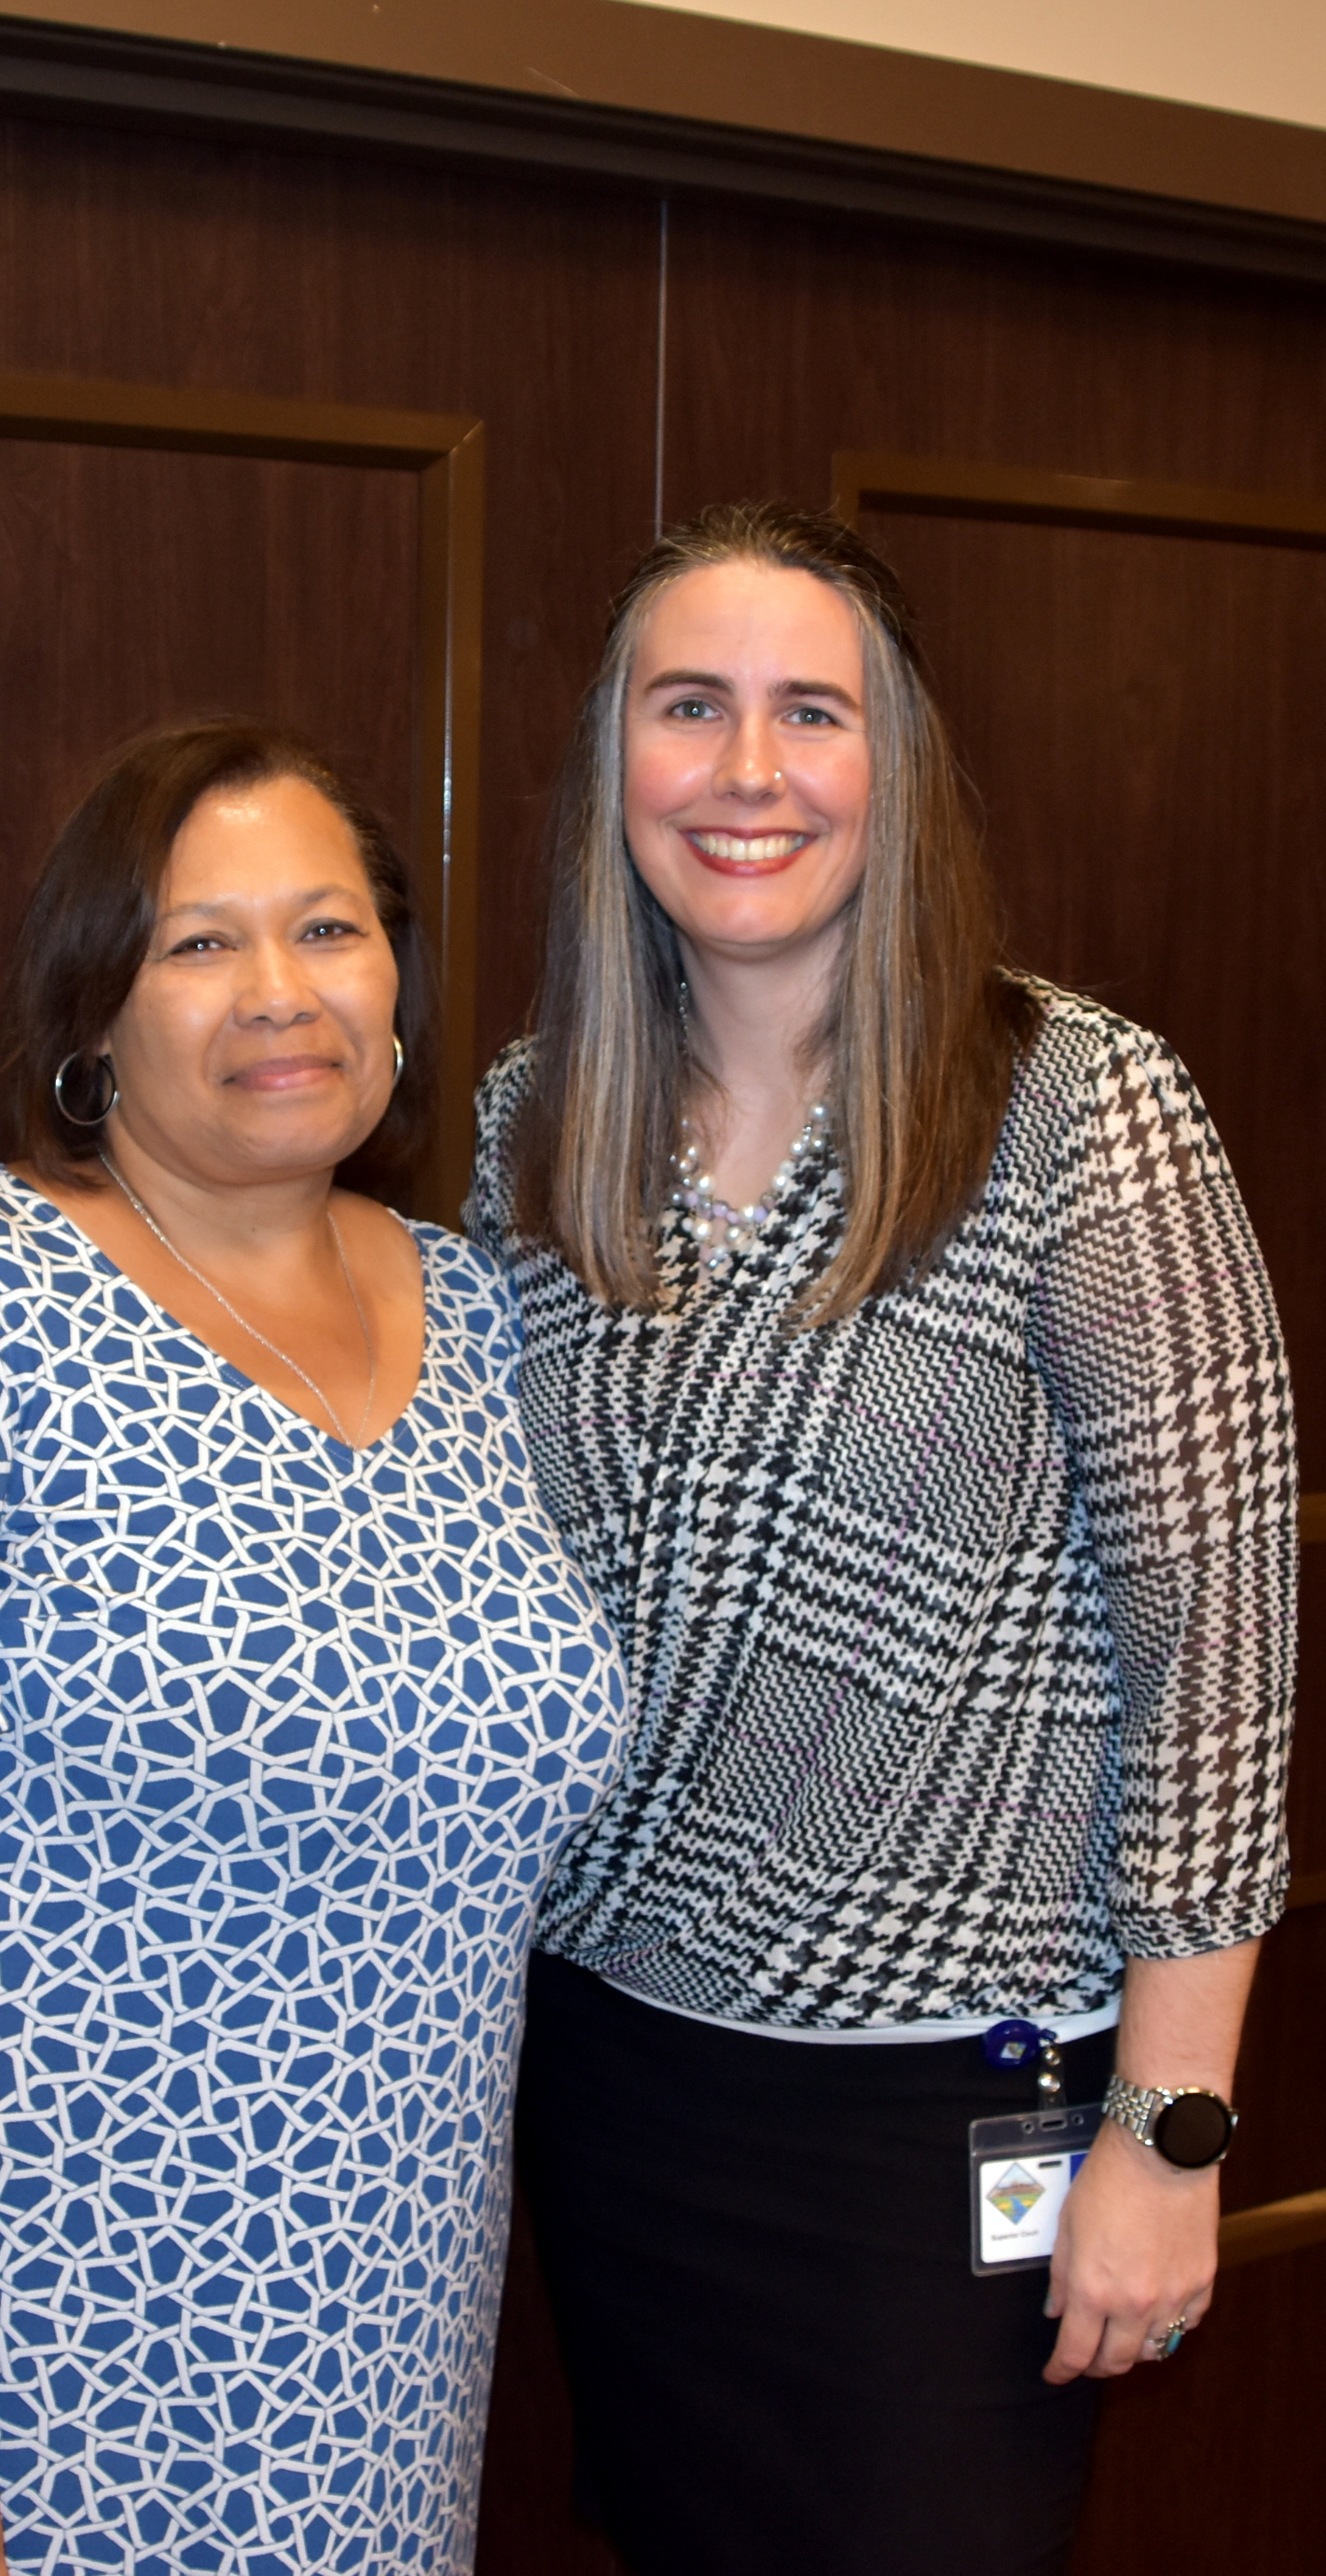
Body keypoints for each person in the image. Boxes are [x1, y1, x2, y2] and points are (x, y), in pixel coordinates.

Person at [0, 719, 627, 2576]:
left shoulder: (486, 1320)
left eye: (325, 929)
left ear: (395, 984)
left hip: (366, 2346)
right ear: (94, 1009)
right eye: (197, 943)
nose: (278, 993)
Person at [465, 504, 1295, 2576]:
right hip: (614, 2063)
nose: (746, 771)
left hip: (949, 2096)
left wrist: (1166, 2130)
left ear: (893, 763)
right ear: (612, 762)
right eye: (688, 707)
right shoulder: (531, 1120)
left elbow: (1216, 1652)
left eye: (808, 713)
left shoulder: (1075, 1105)